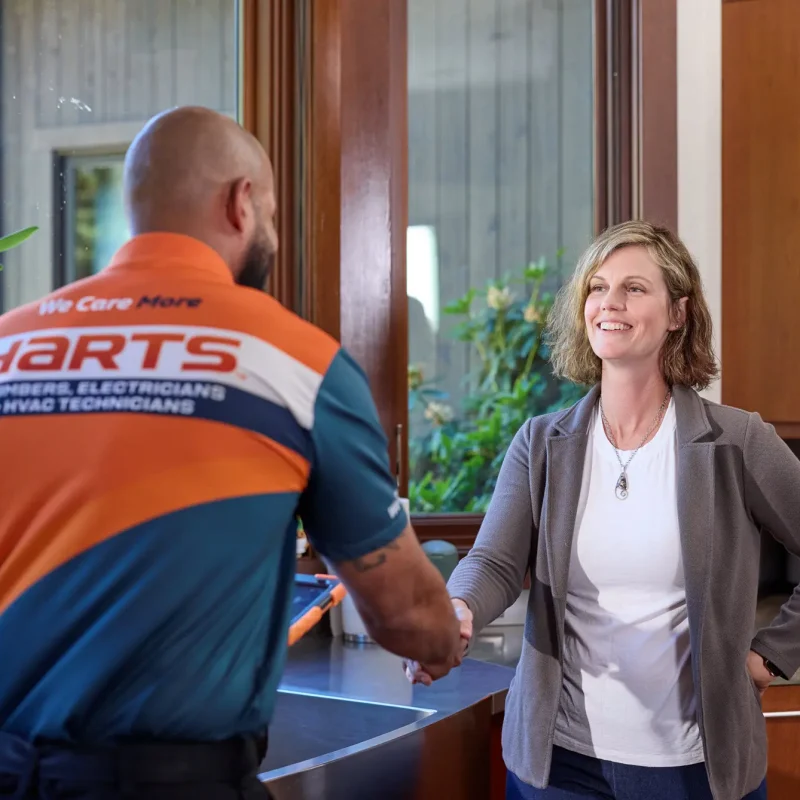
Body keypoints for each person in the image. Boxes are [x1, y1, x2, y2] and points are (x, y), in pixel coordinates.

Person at [0, 106, 463, 799]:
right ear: (241, 203)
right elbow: (405, 616)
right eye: (271, 214)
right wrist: (445, 638)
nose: (270, 231)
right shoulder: (293, 362)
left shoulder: (10, 346)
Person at [404, 220, 800, 800]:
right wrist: (458, 608)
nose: (609, 302)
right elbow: (494, 561)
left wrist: (772, 655)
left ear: (678, 313)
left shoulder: (735, 443)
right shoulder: (541, 443)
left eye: (634, 288)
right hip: (558, 768)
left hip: (695, 770)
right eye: (597, 287)